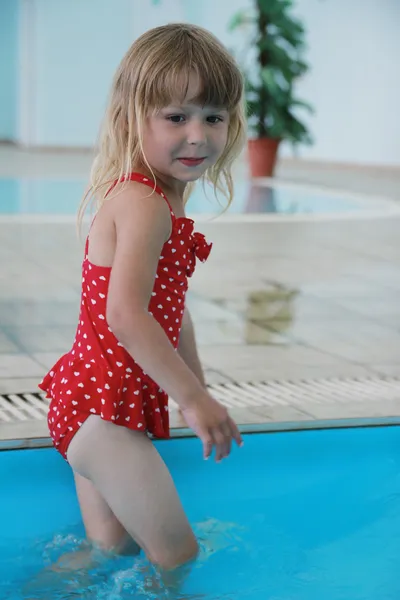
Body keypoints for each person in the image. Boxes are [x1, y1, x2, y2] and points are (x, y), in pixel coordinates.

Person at [39, 22, 246, 575]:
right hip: (102, 414)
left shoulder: (160, 199)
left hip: (90, 404)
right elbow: (127, 316)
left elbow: (170, 316)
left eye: (213, 117)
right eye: (176, 117)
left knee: (111, 553)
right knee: (177, 554)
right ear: (132, 118)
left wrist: (193, 390)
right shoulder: (143, 202)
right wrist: (196, 401)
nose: (197, 135)